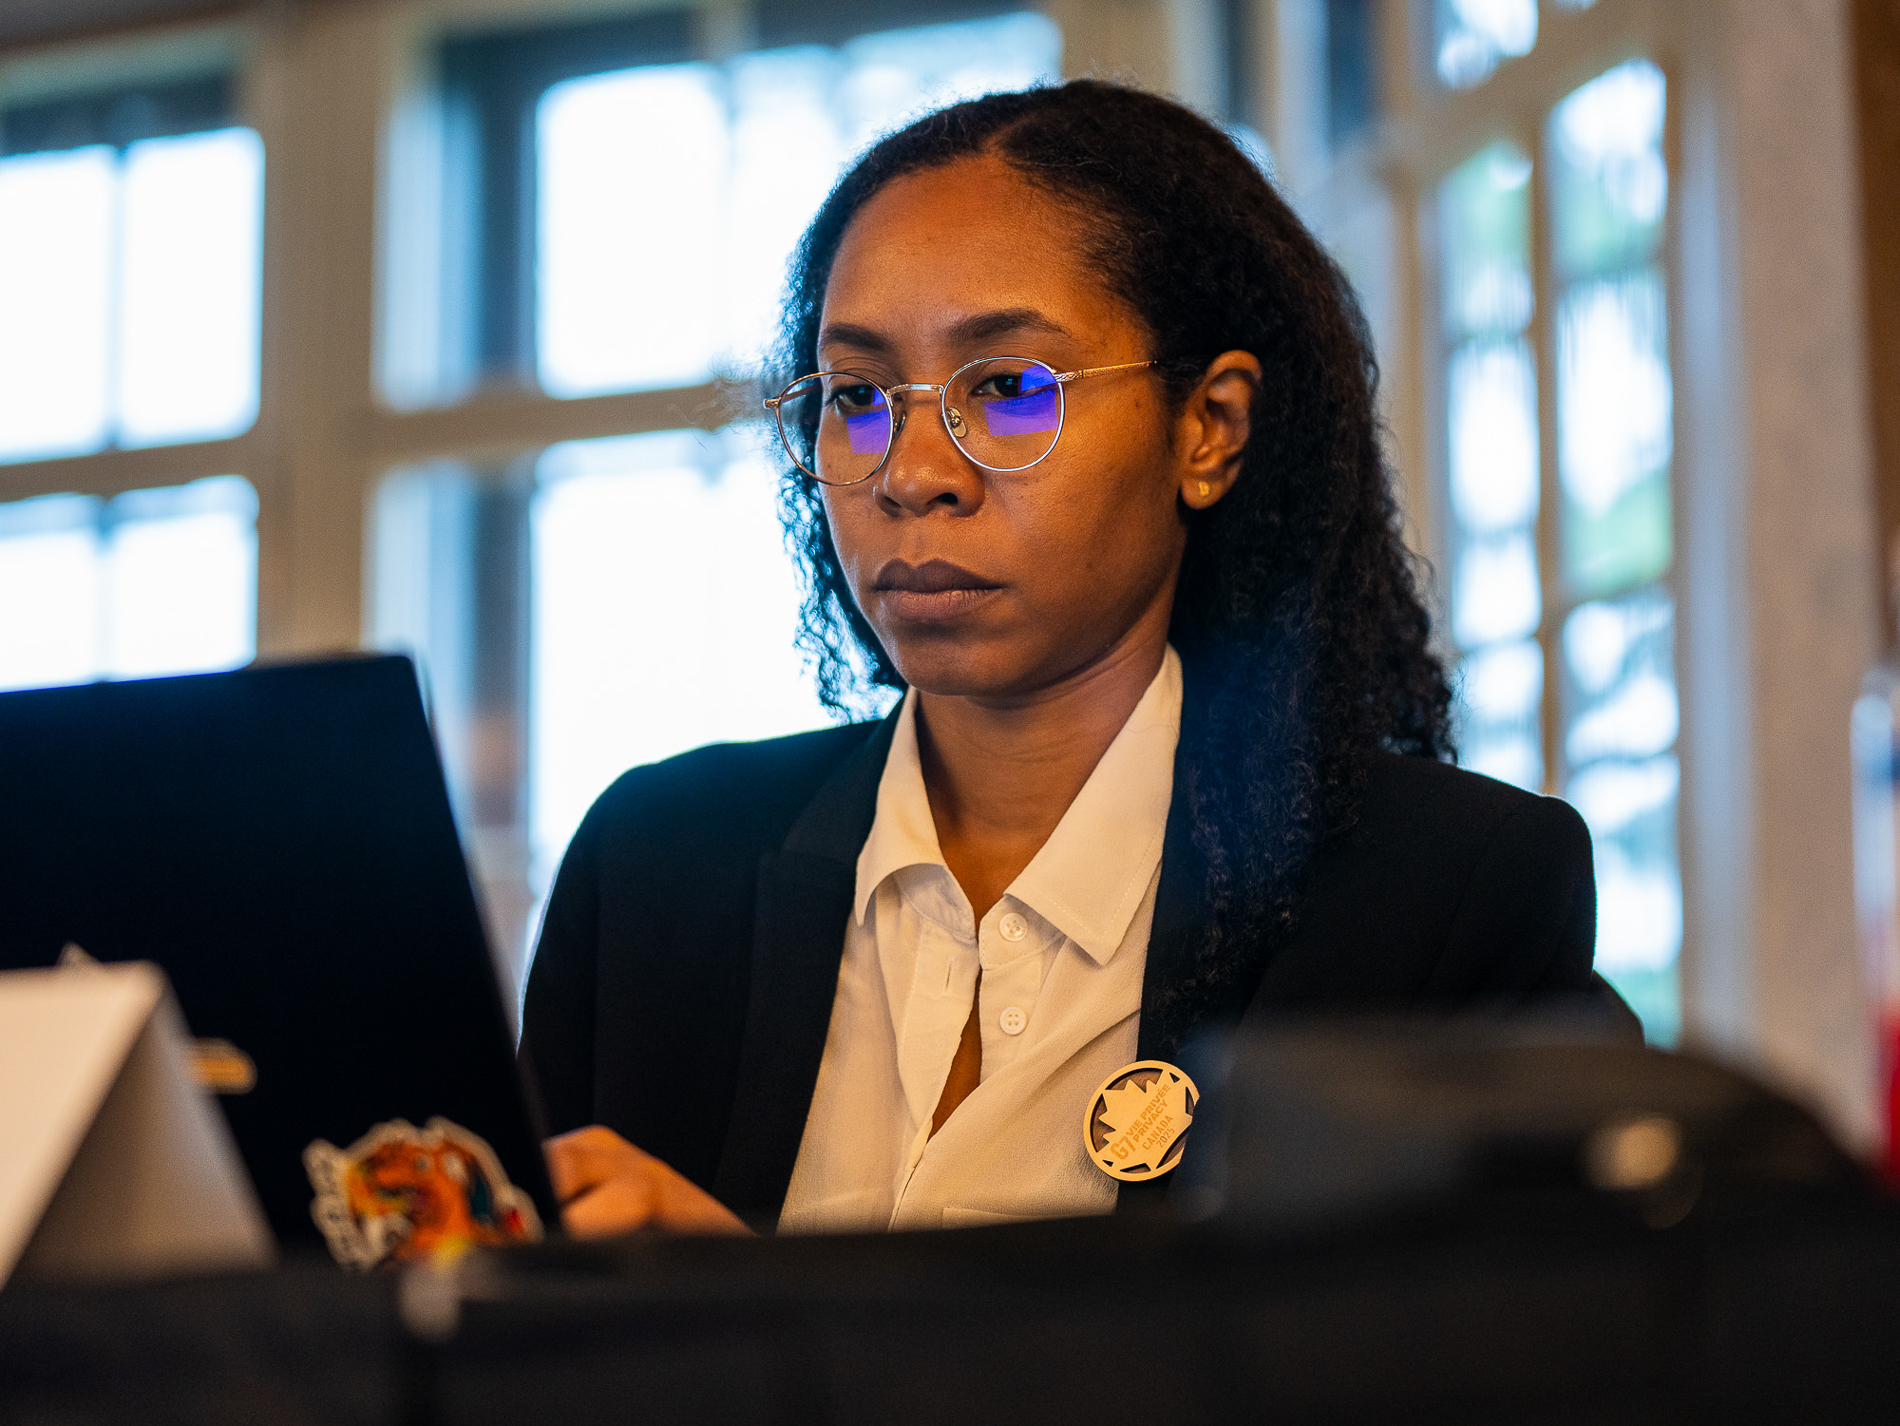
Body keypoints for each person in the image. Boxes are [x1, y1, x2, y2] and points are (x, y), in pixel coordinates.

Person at [520, 79, 1621, 1240]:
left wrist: (738, 1309)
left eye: (1006, 387)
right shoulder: (655, 869)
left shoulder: (1444, 897)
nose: (910, 473)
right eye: (859, 395)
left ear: (1208, 430)